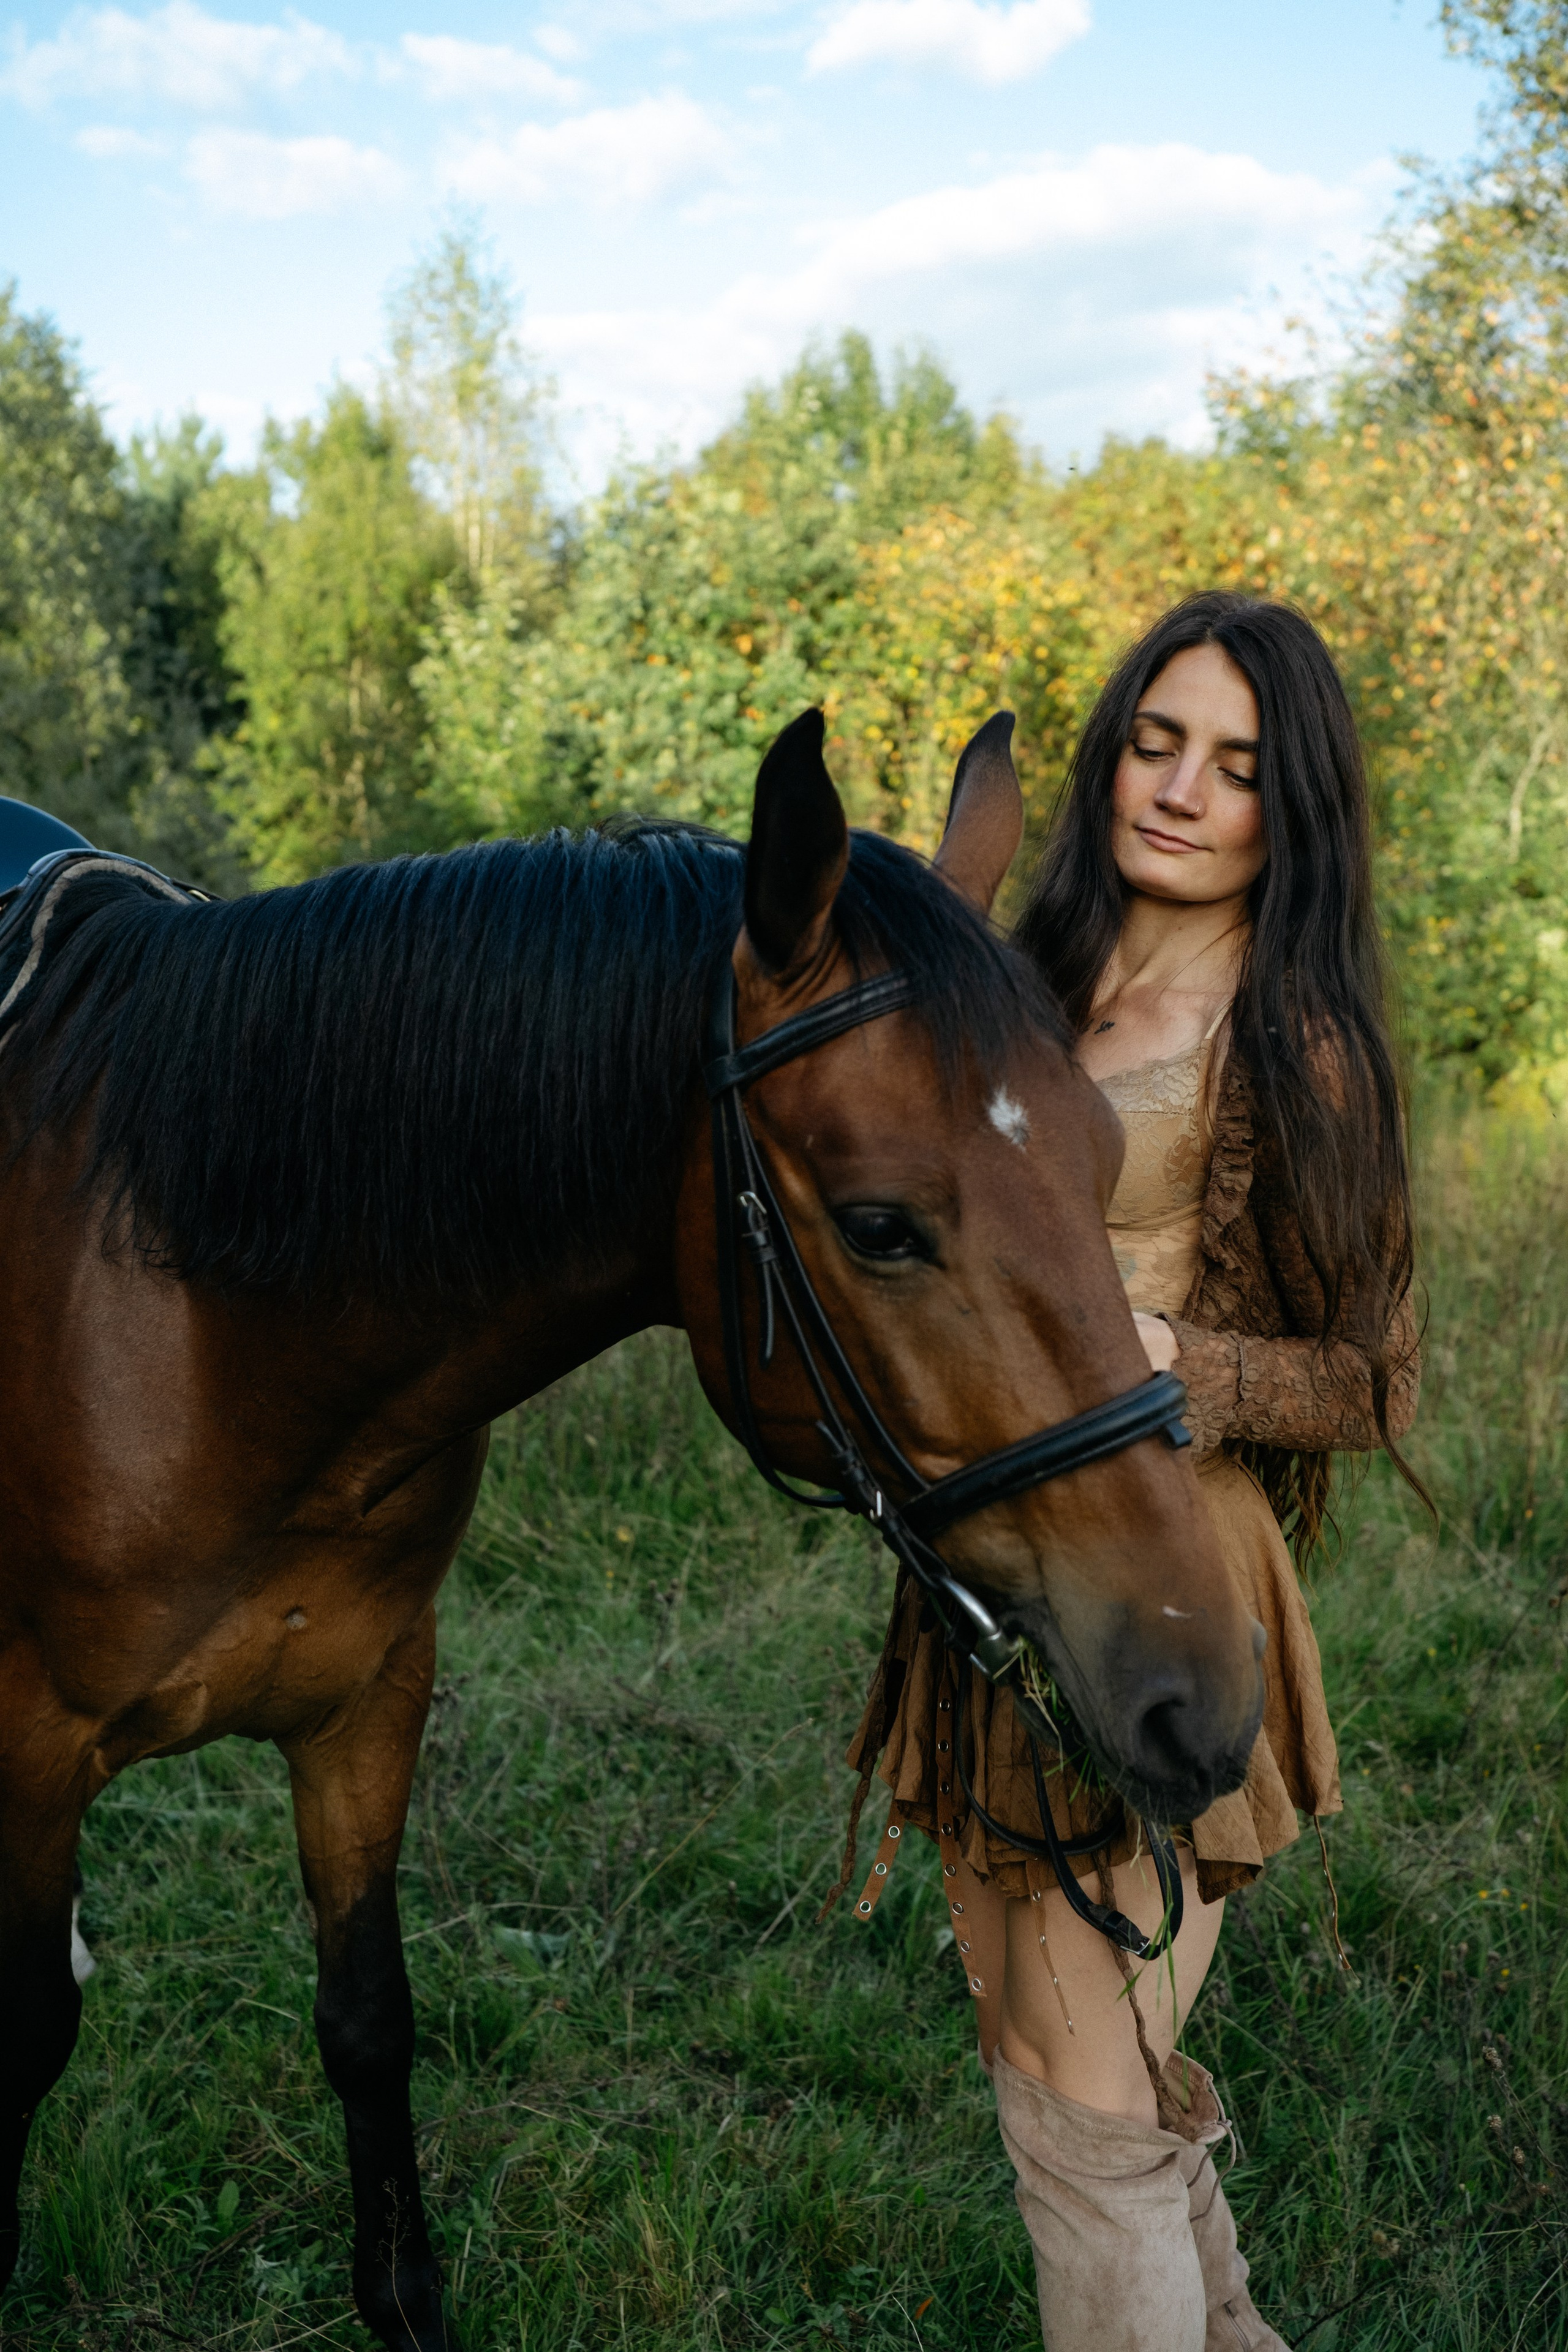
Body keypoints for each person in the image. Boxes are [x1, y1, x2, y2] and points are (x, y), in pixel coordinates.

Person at [841, 592, 1421, 2351]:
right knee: (1043, 2062)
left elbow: (1377, 1385)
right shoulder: (1022, 989)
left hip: (1164, 1572)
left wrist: (1189, 1365)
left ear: (1289, 813)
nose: (1177, 789)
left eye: (1236, 768)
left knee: (1091, 2100)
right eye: (1157, 741)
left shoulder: (1296, 1040)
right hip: (1003, 1572)